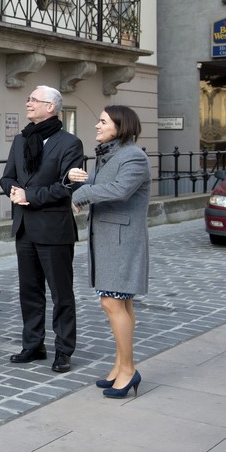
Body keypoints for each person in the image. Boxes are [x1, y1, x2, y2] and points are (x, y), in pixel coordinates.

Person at [67, 105, 151, 398]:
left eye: (103, 122)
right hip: (108, 237)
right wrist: (83, 180)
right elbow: (106, 184)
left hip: (121, 240)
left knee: (112, 303)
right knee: (119, 303)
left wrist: (84, 192)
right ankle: (120, 365)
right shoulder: (112, 154)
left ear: (120, 125)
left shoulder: (133, 156)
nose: (97, 126)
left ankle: (128, 370)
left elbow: (120, 190)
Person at [0, 85, 84, 372]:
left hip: (54, 230)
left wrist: (29, 196)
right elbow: (7, 176)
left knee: (61, 294)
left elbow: (67, 187)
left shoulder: (70, 143)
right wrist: (12, 189)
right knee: (30, 291)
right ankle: (34, 345)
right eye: (28, 99)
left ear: (51, 107)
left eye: (34, 100)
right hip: (24, 228)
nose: (28, 103)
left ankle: (64, 350)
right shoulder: (21, 140)